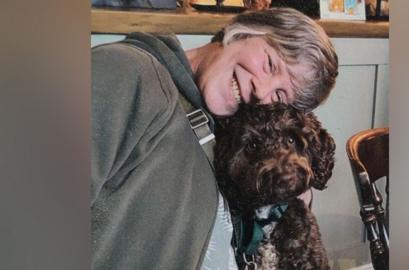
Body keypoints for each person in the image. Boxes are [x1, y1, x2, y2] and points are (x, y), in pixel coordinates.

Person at [91, 7, 338, 270]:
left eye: (279, 96)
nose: (261, 90)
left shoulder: (229, 138)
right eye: (269, 63)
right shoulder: (127, 72)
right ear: (241, 32)